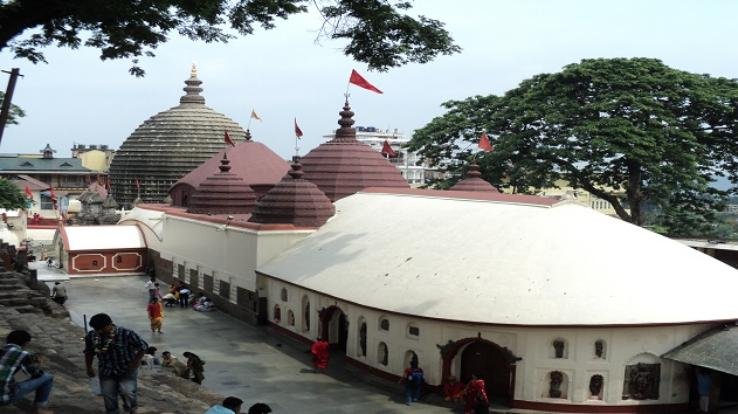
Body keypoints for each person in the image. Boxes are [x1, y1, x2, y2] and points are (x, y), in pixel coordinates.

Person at [84, 313, 148, 414]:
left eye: (102, 328)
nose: (100, 331)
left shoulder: (127, 333)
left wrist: (136, 361)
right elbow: (89, 352)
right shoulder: (92, 336)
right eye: (97, 329)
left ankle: (130, 408)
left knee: (127, 392)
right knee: (108, 394)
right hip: (106, 370)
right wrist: (88, 367)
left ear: (110, 324)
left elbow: (143, 346)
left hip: (126, 369)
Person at [0, 330, 54, 414]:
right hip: (3, 398)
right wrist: (38, 364)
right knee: (47, 377)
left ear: (7, 340)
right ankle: (39, 409)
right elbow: (36, 373)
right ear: (26, 343)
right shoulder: (24, 355)